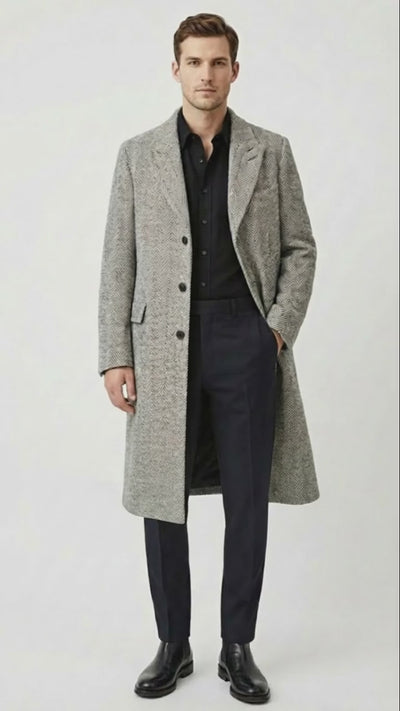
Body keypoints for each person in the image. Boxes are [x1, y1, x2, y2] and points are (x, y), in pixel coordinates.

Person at [98, 12, 319, 705]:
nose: (206, 74)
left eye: (217, 62)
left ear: (234, 70)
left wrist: (274, 330)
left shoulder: (269, 152)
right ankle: (173, 643)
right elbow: (117, 260)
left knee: (247, 499)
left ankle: (237, 646)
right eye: (194, 62)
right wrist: (114, 354)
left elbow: (300, 248)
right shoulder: (137, 155)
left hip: (243, 339)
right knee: (163, 497)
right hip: (158, 343)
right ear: (175, 69)